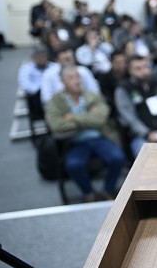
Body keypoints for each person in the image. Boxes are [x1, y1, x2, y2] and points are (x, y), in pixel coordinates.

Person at [44, 66, 126, 202]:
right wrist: (88, 118)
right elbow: (56, 125)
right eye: (71, 78)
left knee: (118, 158)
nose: (76, 81)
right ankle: (88, 192)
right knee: (74, 165)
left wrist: (73, 117)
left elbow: (100, 119)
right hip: (74, 142)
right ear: (63, 82)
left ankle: (108, 189)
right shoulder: (55, 101)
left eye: (78, 77)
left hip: (99, 137)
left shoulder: (92, 95)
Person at [18, 46, 54, 125]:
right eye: (38, 56)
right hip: (36, 96)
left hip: (53, 95)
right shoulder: (26, 69)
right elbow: (25, 84)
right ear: (33, 58)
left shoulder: (54, 67)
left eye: (43, 56)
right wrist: (41, 89)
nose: (41, 59)